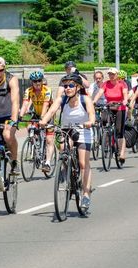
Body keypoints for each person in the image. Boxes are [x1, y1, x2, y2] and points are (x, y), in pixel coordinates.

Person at [39, 73, 95, 210]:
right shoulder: (62, 99)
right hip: (66, 130)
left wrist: (90, 122)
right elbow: (51, 111)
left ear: (78, 87)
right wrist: (44, 121)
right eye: (65, 86)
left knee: (83, 163)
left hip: (83, 131)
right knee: (64, 149)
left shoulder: (85, 99)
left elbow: (92, 115)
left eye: (71, 85)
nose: (67, 88)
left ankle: (86, 193)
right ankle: (67, 172)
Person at [19, 71, 55, 173]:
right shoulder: (29, 91)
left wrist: (43, 118)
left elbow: (46, 104)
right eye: (35, 81)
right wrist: (20, 116)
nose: (37, 83)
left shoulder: (47, 90)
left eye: (39, 80)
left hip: (47, 114)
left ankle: (47, 163)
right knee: (30, 128)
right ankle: (35, 144)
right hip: (37, 113)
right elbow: (25, 104)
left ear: (42, 80)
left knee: (49, 139)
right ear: (32, 82)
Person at [92, 67, 129, 164]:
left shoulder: (122, 83)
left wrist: (125, 100)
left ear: (117, 75)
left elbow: (125, 93)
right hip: (109, 107)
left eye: (113, 74)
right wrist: (94, 101)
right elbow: (100, 93)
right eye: (109, 74)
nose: (111, 76)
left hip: (120, 108)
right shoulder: (106, 84)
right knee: (104, 122)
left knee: (119, 131)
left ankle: (122, 153)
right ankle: (107, 138)